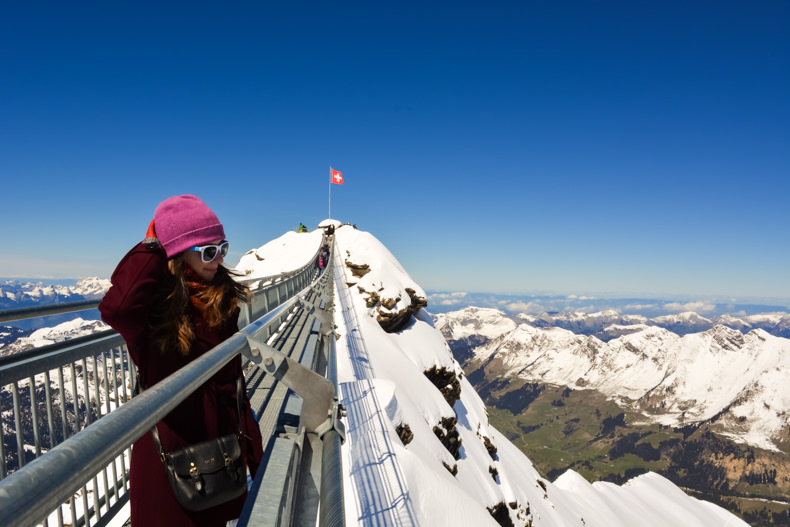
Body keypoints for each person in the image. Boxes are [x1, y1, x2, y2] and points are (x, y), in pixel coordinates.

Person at [99, 195, 264, 527]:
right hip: (168, 457)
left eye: (222, 248)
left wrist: (253, 450)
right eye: (207, 251)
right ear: (176, 254)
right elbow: (118, 308)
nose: (217, 260)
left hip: (219, 451)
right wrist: (152, 246)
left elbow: (234, 383)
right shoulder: (152, 315)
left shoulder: (223, 303)